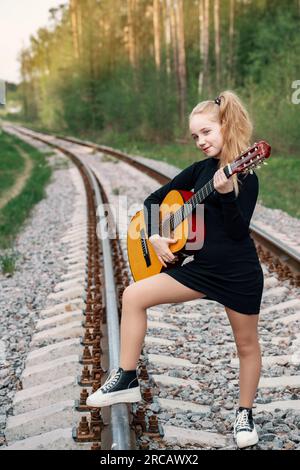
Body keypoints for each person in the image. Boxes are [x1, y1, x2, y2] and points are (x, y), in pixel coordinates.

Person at [86, 90, 264, 449]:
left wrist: (226, 194)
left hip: (238, 272)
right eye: (195, 136)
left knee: (246, 345)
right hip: (200, 268)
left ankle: (244, 414)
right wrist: (154, 236)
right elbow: (154, 200)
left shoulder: (246, 176)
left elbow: (235, 231)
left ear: (226, 126)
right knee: (133, 294)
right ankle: (126, 378)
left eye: (206, 132)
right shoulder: (198, 171)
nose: (200, 141)